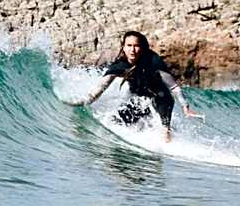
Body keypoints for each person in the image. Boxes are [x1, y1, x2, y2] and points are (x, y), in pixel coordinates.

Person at [69, 30, 201, 141]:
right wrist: (84, 101)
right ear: (123, 47)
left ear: (142, 48)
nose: (132, 50)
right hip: (140, 101)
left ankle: (168, 144)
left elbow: (174, 87)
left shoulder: (153, 61)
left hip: (162, 98)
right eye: (129, 45)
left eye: (136, 46)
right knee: (116, 121)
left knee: (164, 130)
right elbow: (100, 88)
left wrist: (185, 107)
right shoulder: (120, 66)